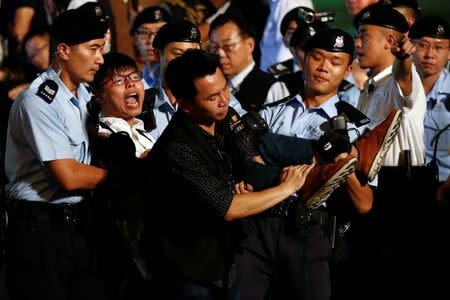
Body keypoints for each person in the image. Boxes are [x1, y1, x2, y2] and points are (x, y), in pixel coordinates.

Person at [143, 48, 358, 299]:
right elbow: (229, 207)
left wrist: (311, 161)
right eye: (213, 97)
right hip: (191, 264)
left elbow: (251, 158)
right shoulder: (177, 148)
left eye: (225, 88)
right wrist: (287, 188)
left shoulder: (225, 116)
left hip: (229, 252)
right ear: (186, 104)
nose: (225, 99)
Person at [3, 5, 111, 300]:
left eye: (101, 49)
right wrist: (127, 176)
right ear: (63, 50)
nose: (100, 59)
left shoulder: (85, 95)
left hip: (80, 224)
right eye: (93, 49)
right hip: (40, 230)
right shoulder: (39, 100)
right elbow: (70, 175)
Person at [145, 20, 245, 140]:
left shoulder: (222, 99)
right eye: (178, 54)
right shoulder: (143, 104)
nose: (188, 62)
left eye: (194, 54)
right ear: (157, 54)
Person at [355, 5, 426, 167]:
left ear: (389, 41)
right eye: (356, 35)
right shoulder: (371, 85)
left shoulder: (403, 78)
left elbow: (403, 77)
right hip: (375, 186)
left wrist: (403, 58)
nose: (357, 43)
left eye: (364, 36)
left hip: (402, 186)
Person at [209, 12, 290, 111]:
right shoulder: (210, 85)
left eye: (227, 46)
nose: (220, 53)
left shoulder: (270, 88)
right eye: (214, 47)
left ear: (249, 45)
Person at [409, 16, 450, 183]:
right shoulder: (394, 88)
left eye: (439, 47)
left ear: (449, 52)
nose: (430, 55)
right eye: (423, 45)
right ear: (410, 46)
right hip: (402, 185)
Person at [258, 0, 314, 72]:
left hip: (278, 75)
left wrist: (281, 76)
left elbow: (288, 48)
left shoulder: (288, 2)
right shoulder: (280, 2)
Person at [130, 5, 171, 89]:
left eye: (160, 32)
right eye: (144, 33)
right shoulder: (142, 77)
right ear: (135, 38)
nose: (152, 41)